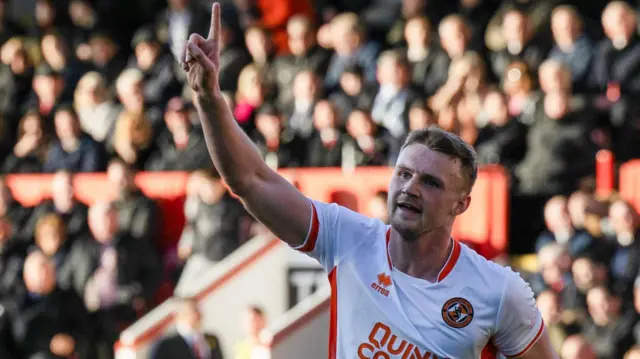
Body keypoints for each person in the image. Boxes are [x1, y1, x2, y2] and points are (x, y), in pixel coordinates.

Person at [180, 4, 559, 358]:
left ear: (461, 204)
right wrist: (209, 98)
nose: (410, 188)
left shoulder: (499, 291)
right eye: (404, 174)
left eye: (431, 182)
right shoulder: (348, 239)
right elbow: (250, 181)